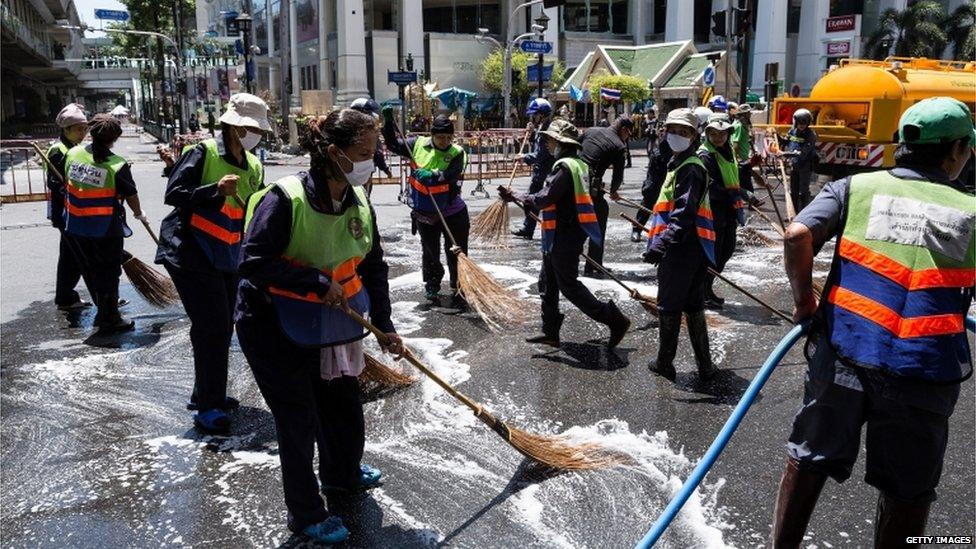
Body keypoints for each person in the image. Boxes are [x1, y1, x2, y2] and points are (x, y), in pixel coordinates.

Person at [771, 97, 975, 548]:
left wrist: (805, 302)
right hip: (925, 369)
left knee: (808, 460)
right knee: (907, 492)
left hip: (846, 353)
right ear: (957, 150)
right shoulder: (971, 210)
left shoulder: (855, 188)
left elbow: (797, 234)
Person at [236, 108, 403, 545]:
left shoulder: (359, 200)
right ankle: (306, 513)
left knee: (343, 404)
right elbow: (252, 261)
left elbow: (374, 266)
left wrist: (385, 325)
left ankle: (342, 474)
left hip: (328, 322)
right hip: (271, 322)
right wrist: (313, 281)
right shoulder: (284, 199)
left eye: (375, 151)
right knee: (298, 418)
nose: (372, 161)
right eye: (364, 153)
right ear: (334, 153)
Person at [155, 93, 269, 432]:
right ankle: (209, 406)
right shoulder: (201, 152)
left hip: (228, 254)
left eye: (258, 129)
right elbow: (173, 195)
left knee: (222, 324)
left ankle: (206, 391)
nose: (255, 134)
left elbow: (255, 211)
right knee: (213, 325)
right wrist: (213, 190)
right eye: (250, 127)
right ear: (233, 125)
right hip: (190, 251)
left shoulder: (254, 165)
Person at [498, 119, 631, 349]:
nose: (547, 144)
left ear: (560, 142)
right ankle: (550, 331)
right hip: (558, 232)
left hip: (565, 234)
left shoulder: (566, 168)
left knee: (568, 286)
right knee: (547, 282)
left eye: (550, 140)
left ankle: (614, 319)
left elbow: (544, 198)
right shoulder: (579, 164)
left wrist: (517, 196)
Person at [642, 108, 717, 381]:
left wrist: (661, 244)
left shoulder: (690, 169)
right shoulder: (681, 164)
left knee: (669, 305)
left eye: (683, 132)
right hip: (693, 247)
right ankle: (705, 365)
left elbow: (683, 215)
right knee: (693, 304)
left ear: (694, 136)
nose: (676, 136)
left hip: (682, 247)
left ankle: (664, 363)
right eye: (672, 130)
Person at [62, 114, 145, 333]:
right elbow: (131, 194)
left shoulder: (73, 154)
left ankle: (104, 313)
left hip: (77, 225)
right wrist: (139, 214)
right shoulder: (116, 165)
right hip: (106, 228)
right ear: (114, 139)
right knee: (109, 272)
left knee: (93, 269)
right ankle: (110, 318)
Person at [381, 107, 469, 307]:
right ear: (432, 135)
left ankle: (459, 288)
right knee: (430, 251)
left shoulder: (457, 153)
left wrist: (434, 175)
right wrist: (387, 123)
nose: (445, 142)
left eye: (448, 138)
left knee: (455, 250)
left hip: (452, 212)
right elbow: (393, 144)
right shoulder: (416, 145)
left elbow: (452, 174)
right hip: (425, 212)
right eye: (440, 138)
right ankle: (432, 284)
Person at [47, 104, 94, 310]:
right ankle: (103, 299)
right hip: (65, 212)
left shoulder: (75, 149)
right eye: (78, 129)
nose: (82, 133)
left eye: (84, 129)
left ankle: (66, 297)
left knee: (70, 258)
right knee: (79, 257)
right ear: (65, 130)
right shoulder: (59, 151)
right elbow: (55, 184)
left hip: (73, 211)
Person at [698, 113, 744, 309]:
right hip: (713, 211)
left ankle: (707, 288)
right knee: (713, 254)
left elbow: (732, 175)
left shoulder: (726, 151)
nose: (718, 138)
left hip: (728, 211)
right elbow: (712, 188)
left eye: (722, 134)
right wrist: (741, 193)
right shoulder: (705, 155)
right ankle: (702, 292)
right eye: (714, 134)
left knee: (726, 250)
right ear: (707, 134)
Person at [578, 116, 633, 276]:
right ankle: (593, 265)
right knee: (598, 218)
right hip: (589, 187)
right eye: (628, 134)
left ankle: (587, 261)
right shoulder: (619, 146)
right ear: (623, 130)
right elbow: (618, 177)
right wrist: (614, 191)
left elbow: (575, 147)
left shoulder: (591, 131)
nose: (627, 137)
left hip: (574, 178)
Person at [512, 98, 554, 240]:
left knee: (534, 201)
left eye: (534, 115)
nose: (532, 117)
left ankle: (534, 228)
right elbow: (536, 144)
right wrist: (530, 134)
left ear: (541, 114)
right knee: (531, 201)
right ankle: (528, 228)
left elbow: (541, 154)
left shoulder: (548, 130)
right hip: (539, 171)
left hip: (546, 171)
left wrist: (524, 157)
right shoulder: (542, 127)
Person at [634, 125, 671, 243]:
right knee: (648, 201)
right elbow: (651, 174)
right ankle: (636, 229)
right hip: (657, 177)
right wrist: (648, 187)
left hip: (671, 177)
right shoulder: (658, 152)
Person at [350, 97, 394, 188]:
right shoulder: (370, 133)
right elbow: (378, 153)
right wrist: (385, 169)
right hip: (364, 175)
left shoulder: (346, 129)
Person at [782, 108, 818, 211]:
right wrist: (776, 137)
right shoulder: (792, 131)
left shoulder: (811, 135)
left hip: (805, 166)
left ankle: (803, 213)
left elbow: (802, 153)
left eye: (804, 123)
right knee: (793, 190)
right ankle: (793, 212)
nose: (801, 125)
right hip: (794, 165)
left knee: (803, 191)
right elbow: (785, 141)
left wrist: (785, 154)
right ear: (795, 122)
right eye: (799, 123)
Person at [731, 103, 760, 201]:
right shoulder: (738, 126)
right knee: (746, 183)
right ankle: (753, 202)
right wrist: (737, 160)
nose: (750, 115)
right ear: (743, 114)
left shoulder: (742, 126)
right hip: (741, 161)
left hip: (743, 158)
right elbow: (735, 145)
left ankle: (751, 201)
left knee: (744, 182)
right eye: (748, 113)